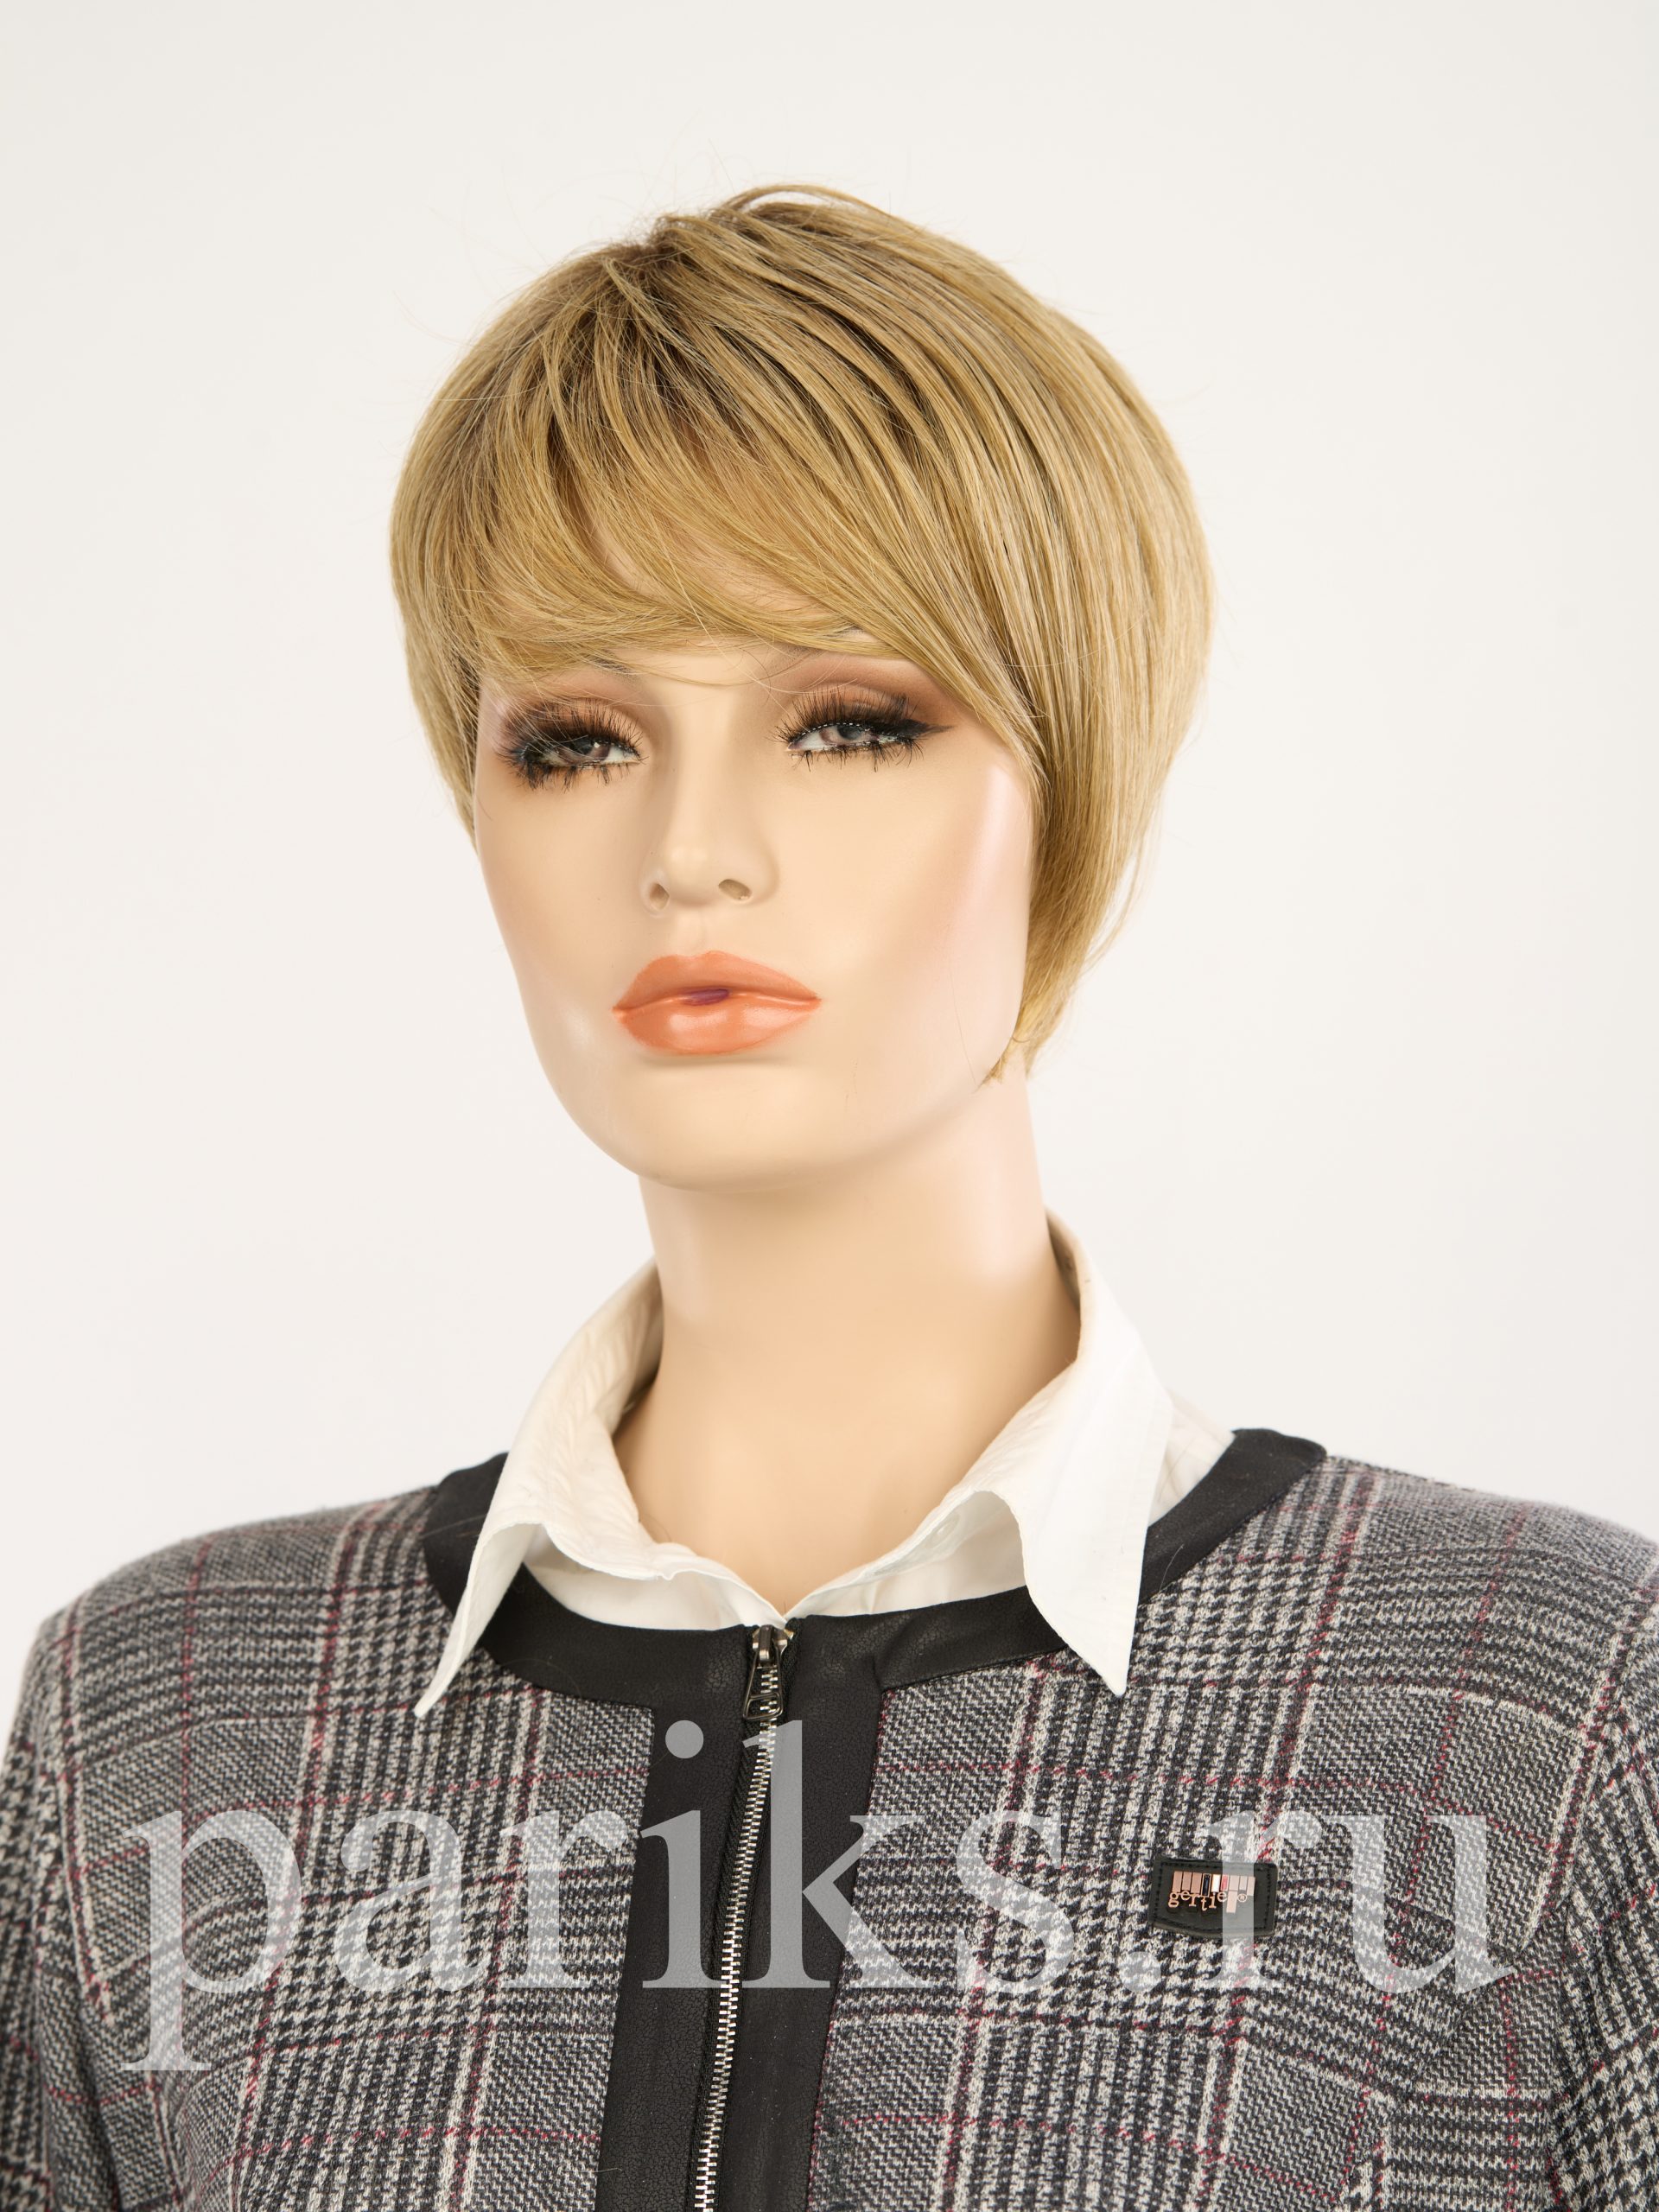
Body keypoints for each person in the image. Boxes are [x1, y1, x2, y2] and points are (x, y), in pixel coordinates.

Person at [2, 183, 1653, 2212]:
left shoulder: (1539, 1698)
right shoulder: (160, 1717)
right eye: (577, 739)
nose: (694, 849)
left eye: (849, 723)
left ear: (1072, 788)